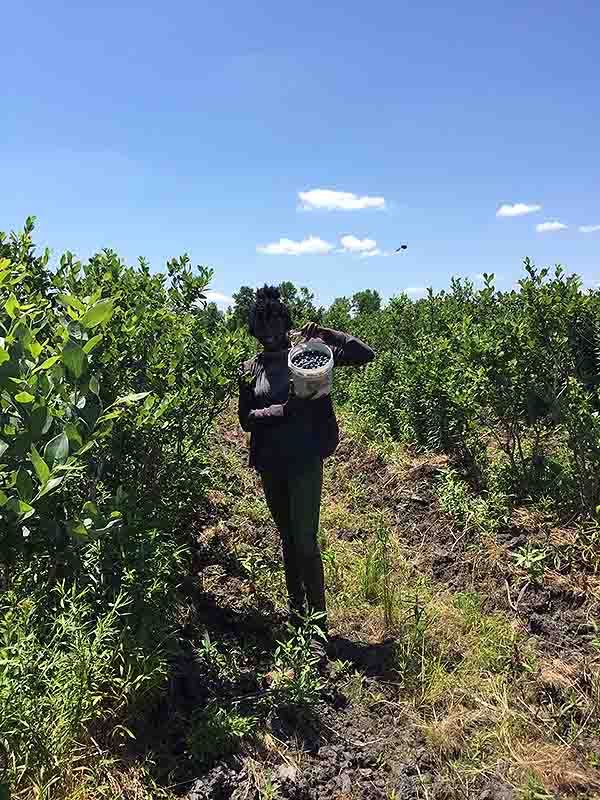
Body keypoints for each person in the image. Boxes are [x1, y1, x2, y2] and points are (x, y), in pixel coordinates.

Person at [238, 286, 375, 658]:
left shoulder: (310, 353)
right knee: (287, 539)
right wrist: (284, 409)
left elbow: (365, 354)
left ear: (287, 324)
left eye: (277, 326)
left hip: (304, 460)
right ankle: (297, 615)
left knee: (305, 542)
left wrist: (328, 333)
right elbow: (246, 419)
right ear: (254, 331)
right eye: (263, 329)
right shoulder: (250, 368)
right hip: (271, 463)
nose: (271, 334)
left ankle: (317, 627)